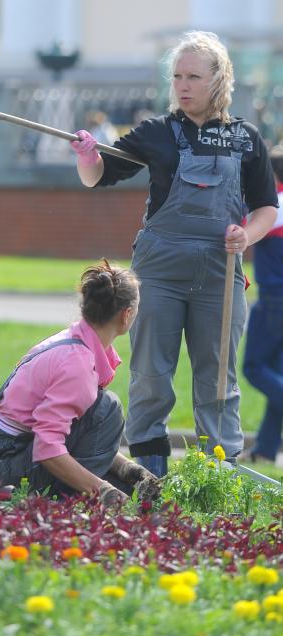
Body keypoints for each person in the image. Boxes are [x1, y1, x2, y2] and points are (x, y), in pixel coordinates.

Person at [70, 31, 278, 477]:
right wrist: (88, 155)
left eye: (194, 77)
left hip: (219, 276)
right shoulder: (156, 133)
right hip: (157, 277)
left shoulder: (246, 139)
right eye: (178, 76)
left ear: (219, 79)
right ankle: (150, 480)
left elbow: (266, 207)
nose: (183, 85)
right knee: (149, 378)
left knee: (218, 382)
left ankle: (215, 479)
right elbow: (96, 176)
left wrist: (248, 235)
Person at [0, 260, 162, 506]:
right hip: (6, 470)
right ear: (126, 315)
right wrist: (104, 491)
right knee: (107, 408)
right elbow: (46, 448)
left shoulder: (76, 343)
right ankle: (60, 505)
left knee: (131, 494)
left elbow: (76, 433)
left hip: (11, 456)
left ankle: (82, 497)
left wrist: (128, 470)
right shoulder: (77, 364)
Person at [242, 150, 283, 463]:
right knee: (277, 372)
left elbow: (243, 228)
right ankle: (266, 450)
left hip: (274, 300)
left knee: (254, 367)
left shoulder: (273, 205)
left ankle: (266, 449)